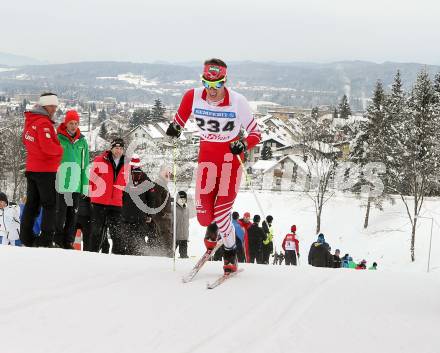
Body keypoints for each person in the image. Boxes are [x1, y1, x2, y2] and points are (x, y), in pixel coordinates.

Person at [166, 58, 261, 274]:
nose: (212, 90)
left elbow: (256, 134)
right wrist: (174, 129)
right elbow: (178, 122)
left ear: (225, 81)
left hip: (230, 164)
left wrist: (243, 143)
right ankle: (214, 228)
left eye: (217, 84)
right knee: (203, 217)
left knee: (221, 211)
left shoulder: (238, 101)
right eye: (207, 84)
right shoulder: (192, 96)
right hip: (207, 164)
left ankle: (230, 252)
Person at [20, 92, 64, 247]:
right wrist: (60, 150)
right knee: (50, 205)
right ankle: (46, 239)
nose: (54, 109)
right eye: (52, 106)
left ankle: (26, 237)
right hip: (45, 171)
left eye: (55, 106)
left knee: (32, 204)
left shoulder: (31, 120)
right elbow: (48, 148)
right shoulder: (44, 123)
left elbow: (26, 140)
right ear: (44, 105)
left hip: (32, 169)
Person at [55, 110, 90, 249]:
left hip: (76, 185)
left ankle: (68, 241)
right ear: (66, 123)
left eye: (76, 123)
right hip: (61, 184)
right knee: (60, 214)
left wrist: (85, 185)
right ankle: (57, 240)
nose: (74, 126)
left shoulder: (82, 142)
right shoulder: (58, 139)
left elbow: (85, 165)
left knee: (72, 215)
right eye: (71, 123)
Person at [89, 138, 128, 253]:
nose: (118, 151)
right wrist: (93, 196)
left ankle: (117, 255)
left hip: (116, 203)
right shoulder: (100, 160)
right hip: (99, 201)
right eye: (116, 148)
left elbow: (125, 182)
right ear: (111, 148)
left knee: (117, 232)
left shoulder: (126, 163)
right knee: (97, 230)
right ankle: (92, 253)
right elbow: (92, 179)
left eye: (121, 148)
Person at [121, 154, 155, 255]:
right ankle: (140, 254)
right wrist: (149, 215)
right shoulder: (145, 178)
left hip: (125, 215)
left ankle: (127, 255)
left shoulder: (124, 177)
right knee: (139, 238)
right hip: (140, 215)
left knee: (126, 238)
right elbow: (151, 199)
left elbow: (119, 195)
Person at [151, 164, 173, 257]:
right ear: (161, 172)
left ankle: (162, 253)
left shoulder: (163, 183)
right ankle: (167, 254)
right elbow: (156, 199)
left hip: (164, 215)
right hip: (161, 216)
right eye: (166, 172)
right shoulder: (159, 183)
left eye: (170, 172)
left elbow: (162, 197)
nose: (168, 174)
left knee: (164, 234)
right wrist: (162, 212)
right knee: (165, 234)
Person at [175, 191, 191, 258]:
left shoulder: (187, 210)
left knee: (184, 257)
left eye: (184, 199)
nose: (182, 200)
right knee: (169, 256)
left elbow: (187, 223)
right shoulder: (173, 208)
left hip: (184, 237)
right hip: (174, 237)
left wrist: (187, 235)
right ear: (177, 199)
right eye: (180, 199)